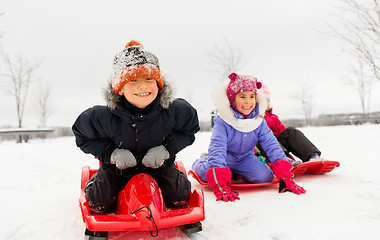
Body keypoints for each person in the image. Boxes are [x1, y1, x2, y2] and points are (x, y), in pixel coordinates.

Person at [72, 40, 200, 213]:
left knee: (180, 197)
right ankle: (96, 182)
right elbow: (82, 136)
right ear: (120, 89)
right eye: (132, 80)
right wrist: (111, 153)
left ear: (159, 85)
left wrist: (166, 149)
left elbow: (189, 130)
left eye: (149, 79)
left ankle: (173, 179)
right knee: (98, 203)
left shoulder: (174, 111)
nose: (142, 85)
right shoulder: (102, 116)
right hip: (117, 171)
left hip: (159, 167)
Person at [192, 72, 306, 202]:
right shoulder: (223, 120)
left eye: (252, 96)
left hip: (245, 157)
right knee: (207, 175)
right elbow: (218, 146)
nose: (248, 102)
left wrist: (285, 176)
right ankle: (202, 161)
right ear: (232, 99)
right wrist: (220, 183)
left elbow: (271, 144)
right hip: (225, 156)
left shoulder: (258, 121)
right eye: (242, 96)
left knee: (265, 177)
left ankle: (234, 171)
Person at [259, 84, 321, 163]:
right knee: (265, 137)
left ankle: (312, 155)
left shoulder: (273, 118)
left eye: (268, 100)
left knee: (291, 132)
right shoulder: (255, 118)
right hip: (265, 149)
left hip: (280, 146)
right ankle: (283, 159)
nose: (266, 103)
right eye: (263, 101)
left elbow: (284, 133)